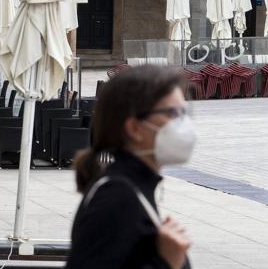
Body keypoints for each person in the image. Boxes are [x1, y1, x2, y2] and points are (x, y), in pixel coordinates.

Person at [66, 66, 196, 269]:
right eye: (173, 113)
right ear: (135, 128)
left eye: (185, 112)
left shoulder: (130, 187)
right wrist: (166, 262)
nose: (183, 123)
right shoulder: (117, 198)